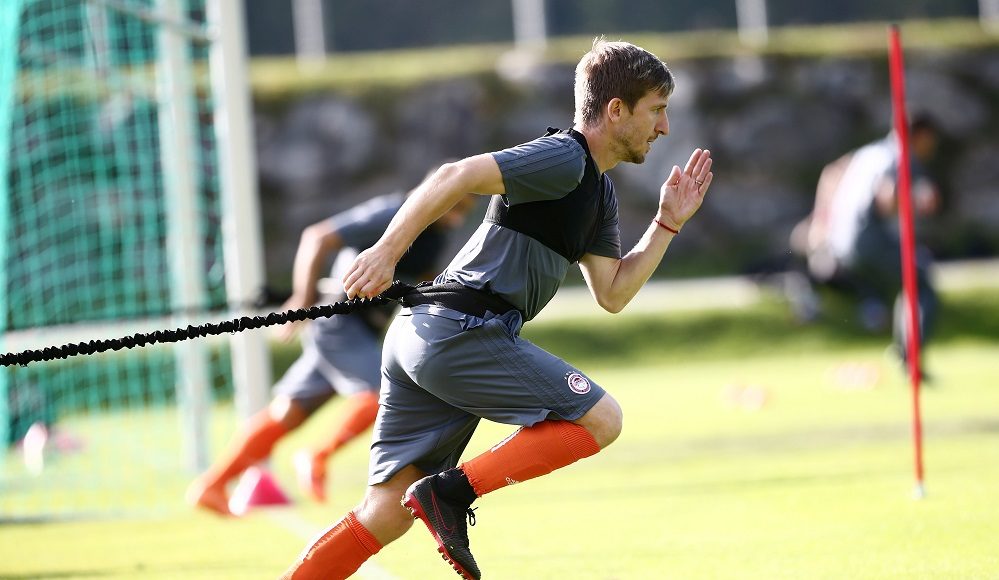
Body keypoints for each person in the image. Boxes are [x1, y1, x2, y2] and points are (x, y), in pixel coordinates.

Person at [278, 38, 713, 580]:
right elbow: (453, 176)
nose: (664, 127)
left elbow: (613, 293)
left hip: (423, 332)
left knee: (385, 513)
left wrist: (667, 223)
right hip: (459, 329)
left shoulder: (598, 193)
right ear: (616, 110)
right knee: (601, 419)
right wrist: (385, 252)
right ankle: (450, 494)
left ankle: (436, 497)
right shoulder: (565, 157)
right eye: (656, 110)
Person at [185, 179, 477, 515]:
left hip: (361, 330)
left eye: (463, 210)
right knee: (381, 394)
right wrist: (302, 298)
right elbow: (318, 237)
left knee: (288, 412)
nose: (457, 217)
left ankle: (212, 485)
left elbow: (425, 279)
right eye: (455, 206)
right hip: (339, 321)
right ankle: (316, 455)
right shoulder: (393, 212)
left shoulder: (434, 232)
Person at [789, 113, 942, 373]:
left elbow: (832, 172)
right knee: (921, 283)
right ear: (921, 135)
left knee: (909, 283)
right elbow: (886, 199)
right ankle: (907, 356)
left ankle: (902, 349)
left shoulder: (869, 152)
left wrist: (822, 218)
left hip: (841, 241)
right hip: (867, 239)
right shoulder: (900, 156)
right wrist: (917, 201)